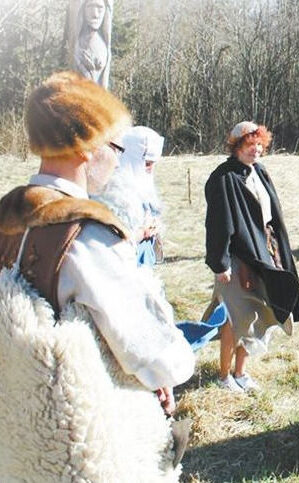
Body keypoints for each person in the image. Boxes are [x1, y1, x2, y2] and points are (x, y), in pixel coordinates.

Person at [0, 71, 194, 478]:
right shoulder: (84, 234)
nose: (116, 159)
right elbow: (150, 351)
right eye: (114, 145)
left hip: (17, 444)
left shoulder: (7, 221)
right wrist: (176, 365)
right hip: (82, 449)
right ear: (86, 147)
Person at [204, 121, 299, 393]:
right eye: (250, 145)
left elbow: (271, 215)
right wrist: (220, 263)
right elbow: (217, 224)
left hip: (264, 253)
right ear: (237, 146)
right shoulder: (223, 178)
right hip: (237, 260)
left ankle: (241, 372)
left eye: (260, 145)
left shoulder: (259, 172)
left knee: (259, 315)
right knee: (235, 318)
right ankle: (224, 376)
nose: (256, 150)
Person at [118, 125, 166, 266]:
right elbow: (113, 243)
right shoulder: (113, 194)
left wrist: (155, 225)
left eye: (152, 164)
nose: (150, 169)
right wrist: (143, 232)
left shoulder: (143, 185)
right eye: (147, 164)